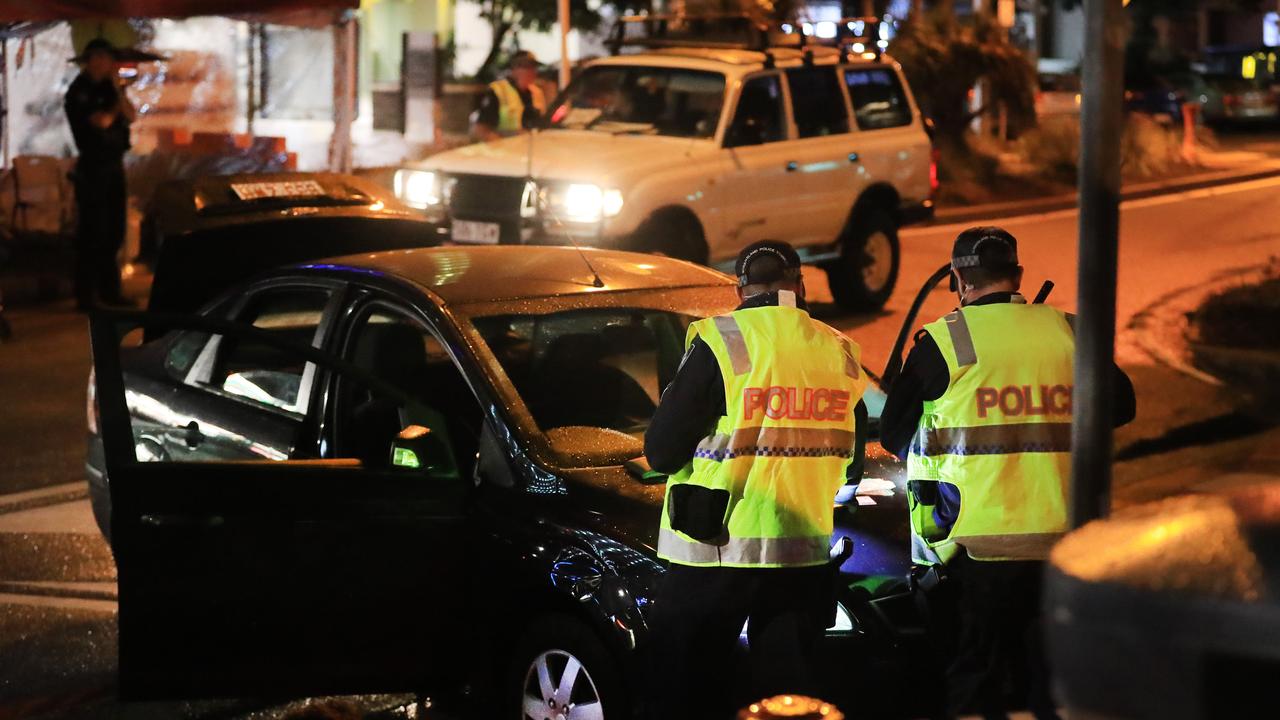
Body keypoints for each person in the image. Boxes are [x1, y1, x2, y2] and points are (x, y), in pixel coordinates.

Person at [880, 226, 1137, 720]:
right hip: (1065, 546)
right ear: (1016, 275)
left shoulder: (945, 340)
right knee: (1051, 682)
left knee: (975, 681)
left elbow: (894, 434)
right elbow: (1121, 405)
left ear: (958, 278)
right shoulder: (1067, 328)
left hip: (975, 550)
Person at [644, 240, 869, 719]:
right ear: (800, 285)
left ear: (740, 288)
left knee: (684, 689)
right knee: (788, 701)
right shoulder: (838, 348)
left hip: (717, 549)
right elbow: (852, 463)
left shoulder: (723, 339)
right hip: (801, 552)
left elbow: (661, 451)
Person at [64, 38, 136, 310]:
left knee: (115, 231)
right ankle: (86, 295)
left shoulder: (110, 89)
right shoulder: (79, 91)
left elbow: (132, 116)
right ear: (92, 60)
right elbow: (102, 122)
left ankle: (110, 291)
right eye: (103, 59)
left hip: (114, 164)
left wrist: (119, 92)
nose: (108, 65)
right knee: (92, 231)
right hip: (93, 166)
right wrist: (116, 102)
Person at [470, 51, 546, 141]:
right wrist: (500, 144)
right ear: (513, 69)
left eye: (534, 67)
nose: (532, 71)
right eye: (526, 67)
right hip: (503, 151)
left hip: (530, 150)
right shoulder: (498, 91)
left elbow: (541, 126)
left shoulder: (537, 93)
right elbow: (479, 129)